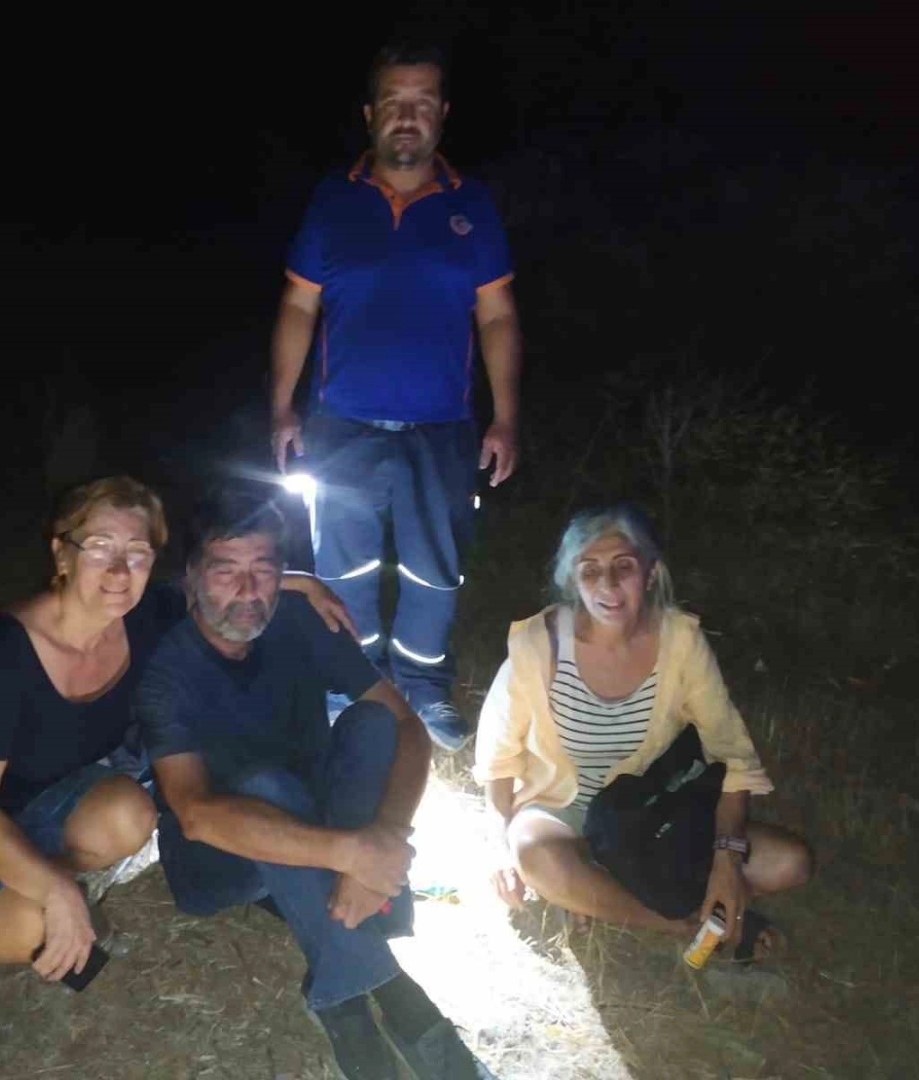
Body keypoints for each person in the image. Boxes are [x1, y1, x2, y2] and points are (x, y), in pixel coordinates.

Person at [0, 476, 353, 993]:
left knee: (129, 816)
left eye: (137, 552)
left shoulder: (141, 619)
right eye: (99, 547)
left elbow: (213, 582)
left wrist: (300, 582)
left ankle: (19, 880)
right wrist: (58, 893)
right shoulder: (1, 654)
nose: (119, 571)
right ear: (61, 553)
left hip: (31, 797)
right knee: (32, 928)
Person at [137, 486, 490, 1080]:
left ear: (283, 573)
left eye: (264, 569)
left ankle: (344, 939)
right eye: (226, 571)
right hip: (218, 857)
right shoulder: (166, 668)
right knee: (265, 787)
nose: (248, 591)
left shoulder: (300, 617)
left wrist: (381, 836)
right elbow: (195, 813)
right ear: (191, 579)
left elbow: (406, 725)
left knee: (372, 723)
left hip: (318, 820)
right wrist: (347, 853)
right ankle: (392, 1003)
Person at [269, 42, 523, 750]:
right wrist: (282, 406)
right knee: (341, 565)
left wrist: (505, 415)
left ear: (442, 114)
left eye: (422, 102)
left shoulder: (471, 204)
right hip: (340, 422)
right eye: (393, 102)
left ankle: (422, 686)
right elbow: (298, 306)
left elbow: (497, 316)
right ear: (370, 114)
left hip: (443, 425)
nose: (407, 116)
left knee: (433, 568)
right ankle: (351, 683)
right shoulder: (333, 199)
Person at [473, 503, 813, 960]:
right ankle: (678, 923)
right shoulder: (540, 645)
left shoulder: (681, 642)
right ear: (573, 580)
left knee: (790, 863)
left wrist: (726, 858)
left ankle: (595, 892)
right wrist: (499, 847)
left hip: (648, 813)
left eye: (624, 567)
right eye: (590, 570)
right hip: (559, 810)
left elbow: (732, 753)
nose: (608, 585)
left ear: (650, 574)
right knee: (535, 855)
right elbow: (498, 760)